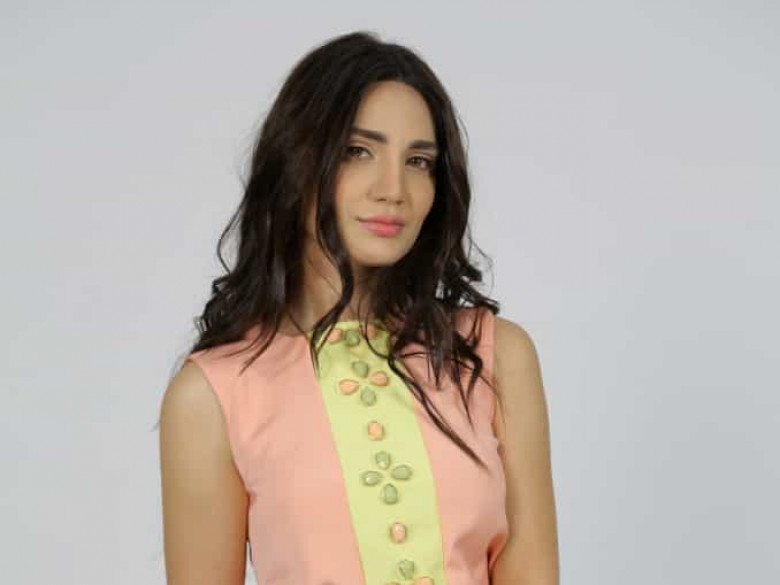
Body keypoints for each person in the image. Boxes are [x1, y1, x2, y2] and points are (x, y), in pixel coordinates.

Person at [158, 30, 559, 585]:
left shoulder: (494, 356)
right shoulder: (214, 393)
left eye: (419, 161)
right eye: (357, 151)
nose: (393, 188)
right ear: (297, 160)